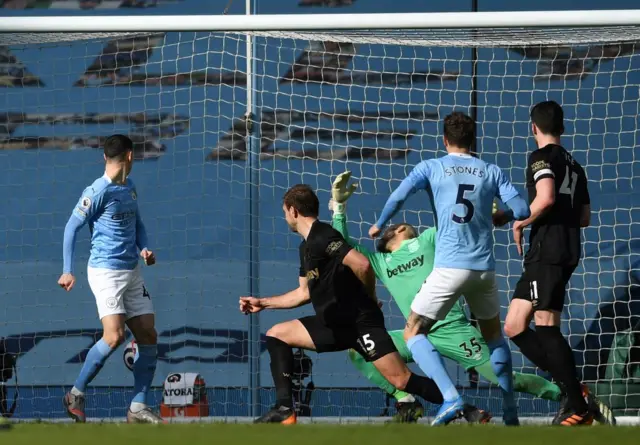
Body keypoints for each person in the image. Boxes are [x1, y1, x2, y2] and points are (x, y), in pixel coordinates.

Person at [330, 172, 612, 424]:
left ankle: (574, 393)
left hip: (453, 329)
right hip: (415, 334)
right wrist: (339, 208)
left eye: (397, 225)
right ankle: (408, 400)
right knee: (360, 350)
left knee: (506, 380)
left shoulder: (429, 238)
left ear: (403, 230)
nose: (395, 226)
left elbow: (461, 226)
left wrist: (484, 211)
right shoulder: (379, 262)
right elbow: (343, 248)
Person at [239, 184, 485, 425]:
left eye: (284, 212)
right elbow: (303, 293)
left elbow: (362, 264)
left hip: (359, 322)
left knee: (401, 380)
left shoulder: (323, 235)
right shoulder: (305, 246)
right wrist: (263, 302)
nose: (285, 217)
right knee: (277, 335)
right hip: (332, 325)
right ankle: (284, 408)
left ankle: (468, 410)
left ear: (293, 211)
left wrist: (368, 297)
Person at [370, 112, 530, 425]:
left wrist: (379, 224)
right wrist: (505, 215)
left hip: (449, 269)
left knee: (413, 332)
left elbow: (399, 195)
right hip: (484, 270)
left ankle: (451, 397)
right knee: (495, 339)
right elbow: (523, 209)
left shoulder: (431, 167)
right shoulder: (491, 170)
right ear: (473, 140)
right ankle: (511, 412)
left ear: (445, 140)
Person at [502, 101, 614, 426]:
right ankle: (574, 390)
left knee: (546, 325)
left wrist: (522, 222)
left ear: (533, 127)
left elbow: (546, 196)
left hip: (548, 251)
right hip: (562, 249)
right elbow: (585, 218)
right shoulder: (577, 166)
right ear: (562, 128)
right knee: (514, 325)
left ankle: (577, 405)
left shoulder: (540, 157)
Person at [57, 134, 163, 424]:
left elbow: (137, 223)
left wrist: (144, 248)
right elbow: (71, 226)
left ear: (107, 157)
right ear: (130, 156)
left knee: (148, 335)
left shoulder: (129, 187)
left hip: (132, 271)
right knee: (114, 336)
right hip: (106, 272)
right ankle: (75, 393)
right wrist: (68, 269)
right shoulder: (97, 190)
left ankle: (138, 406)